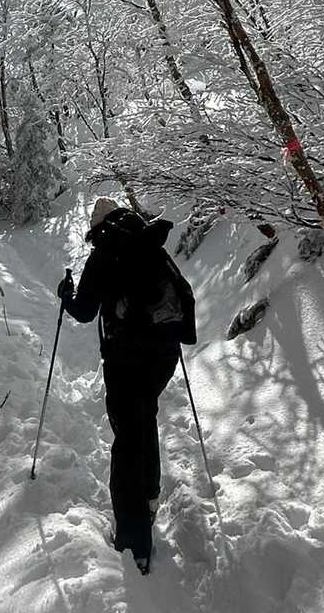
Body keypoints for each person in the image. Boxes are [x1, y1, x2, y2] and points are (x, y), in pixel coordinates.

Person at [56, 196, 194, 574]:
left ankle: (134, 544)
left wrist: (66, 295)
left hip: (126, 361)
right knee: (143, 421)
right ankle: (149, 497)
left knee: (127, 443)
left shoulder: (105, 253)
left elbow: (86, 311)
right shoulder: (149, 242)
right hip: (163, 357)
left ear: (97, 226)